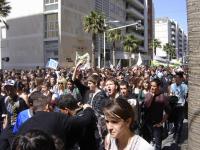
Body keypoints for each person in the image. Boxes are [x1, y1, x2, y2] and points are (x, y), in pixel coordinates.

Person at [142, 78, 171, 150]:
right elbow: (145, 107)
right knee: (146, 143)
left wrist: (161, 122)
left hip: (157, 125)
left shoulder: (163, 97)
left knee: (158, 145)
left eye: (154, 86)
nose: (152, 87)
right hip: (147, 124)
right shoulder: (148, 95)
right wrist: (151, 96)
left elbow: (168, 111)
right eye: (151, 85)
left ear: (158, 87)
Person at [170, 71, 188, 143]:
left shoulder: (185, 86)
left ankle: (178, 136)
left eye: (177, 78)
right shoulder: (172, 85)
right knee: (175, 122)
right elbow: (171, 94)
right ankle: (175, 133)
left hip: (181, 107)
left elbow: (186, 96)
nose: (176, 79)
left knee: (180, 123)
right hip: (174, 106)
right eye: (175, 78)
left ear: (181, 79)